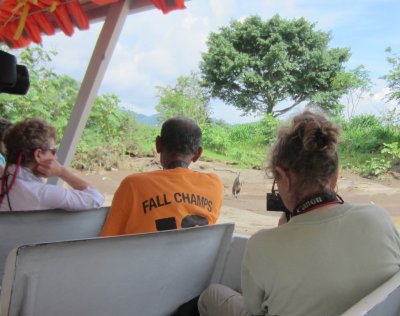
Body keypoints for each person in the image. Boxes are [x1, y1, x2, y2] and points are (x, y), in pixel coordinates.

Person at [198, 110, 400, 316]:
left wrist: (282, 234)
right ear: (336, 175)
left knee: (212, 295)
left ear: (283, 177)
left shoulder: (262, 245)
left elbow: (254, 309)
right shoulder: (379, 218)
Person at [101, 116, 223, 235]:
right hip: (192, 255)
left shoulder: (133, 184)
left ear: (158, 144)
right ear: (197, 154)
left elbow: (109, 239)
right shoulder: (214, 184)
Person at [0, 118, 104, 211]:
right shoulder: (41, 194)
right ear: (38, 155)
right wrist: (62, 172)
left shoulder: (4, 174)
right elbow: (96, 198)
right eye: (53, 151)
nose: (55, 158)